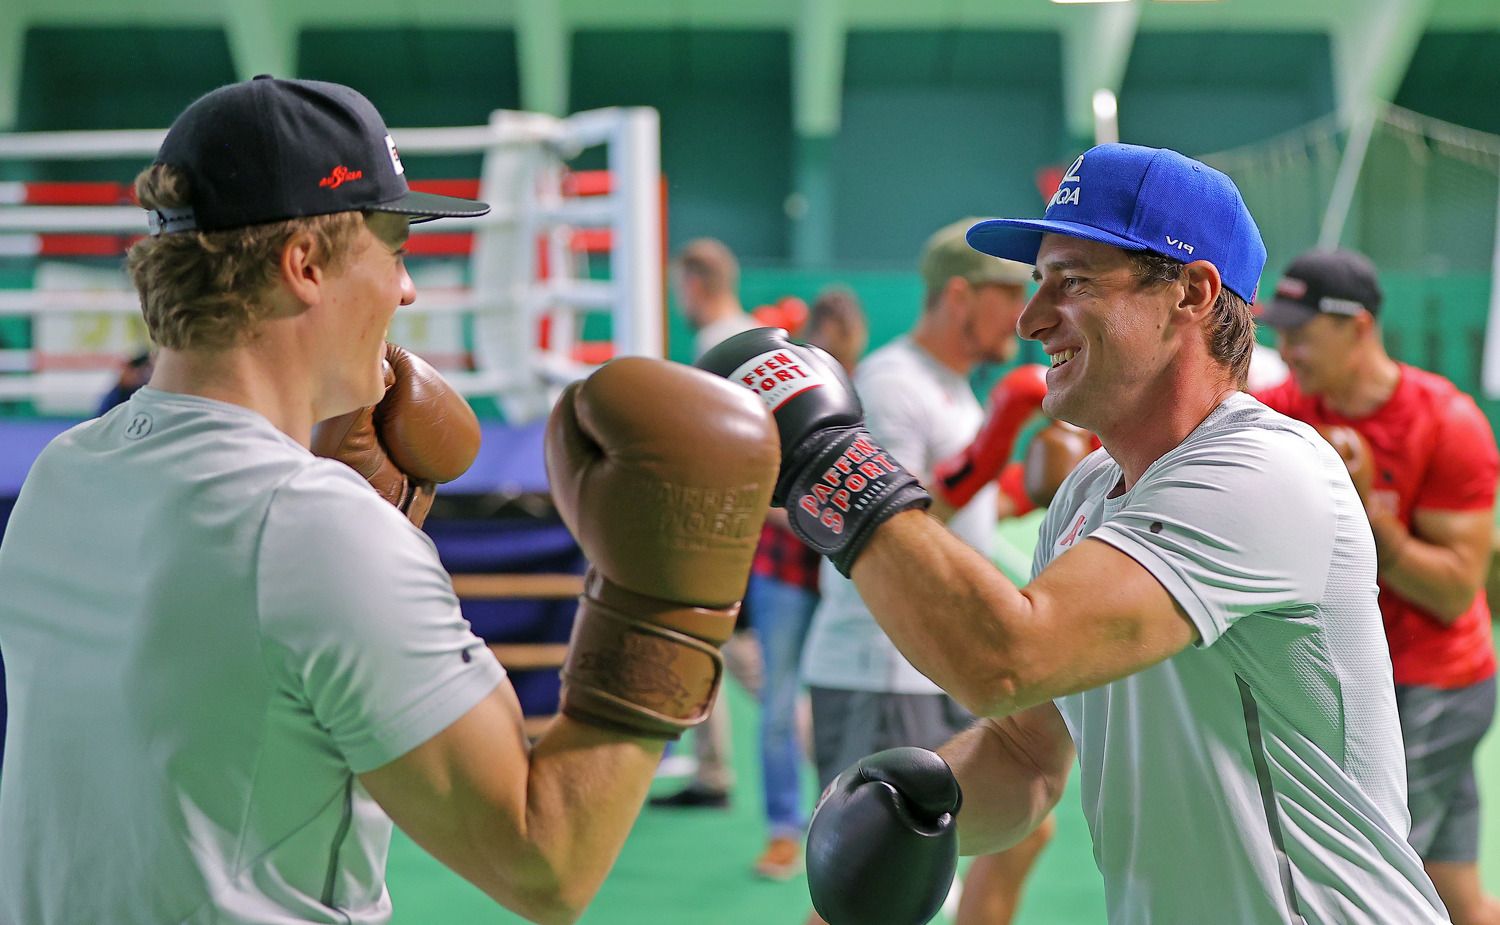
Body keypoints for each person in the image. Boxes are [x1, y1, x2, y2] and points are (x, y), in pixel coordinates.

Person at [0, 75, 781, 925]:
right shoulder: (313, 527)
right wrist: (662, 602)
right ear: (305, 265)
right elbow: (544, 864)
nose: (407, 291)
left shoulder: (62, 474)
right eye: (397, 251)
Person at [701, 143, 1449, 924]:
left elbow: (1010, 658)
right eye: (1037, 283)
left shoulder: (1263, 470)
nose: (1030, 320)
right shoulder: (1090, 493)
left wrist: (833, 463)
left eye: (1074, 282)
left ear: (1192, 293)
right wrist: (916, 805)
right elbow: (1027, 750)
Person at [795, 219, 1057, 925]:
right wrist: (996, 443)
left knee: (1024, 828)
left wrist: (1028, 488)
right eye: (1011, 294)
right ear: (959, 295)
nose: (1027, 314)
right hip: (883, 663)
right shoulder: (893, 383)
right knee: (873, 889)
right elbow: (898, 531)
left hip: (941, 660)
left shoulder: (953, 388)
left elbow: (957, 513)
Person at [1256, 248, 1500, 925]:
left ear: (1358, 327)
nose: (1287, 351)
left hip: (1433, 685)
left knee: (1361, 888)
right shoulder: (1284, 411)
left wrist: (1365, 516)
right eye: (1281, 332)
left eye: (1302, 334)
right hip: (1354, 676)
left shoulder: (1446, 424)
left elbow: (1454, 592)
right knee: (1456, 895)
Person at [746, 286, 867, 880]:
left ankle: (845, 827)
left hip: (843, 576)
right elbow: (759, 495)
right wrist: (822, 509)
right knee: (778, 704)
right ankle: (782, 830)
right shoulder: (780, 403)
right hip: (787, 576)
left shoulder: (863, 395)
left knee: (843, 702)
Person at [652, 236, 766, 809]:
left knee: (738, 654)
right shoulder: (758, 335)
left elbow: (715, 446)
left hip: (729, 524)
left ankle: (717, 771)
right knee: (714, 646)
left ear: (694, 285)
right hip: (753, 520)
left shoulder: (716, 347)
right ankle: (712, 771)